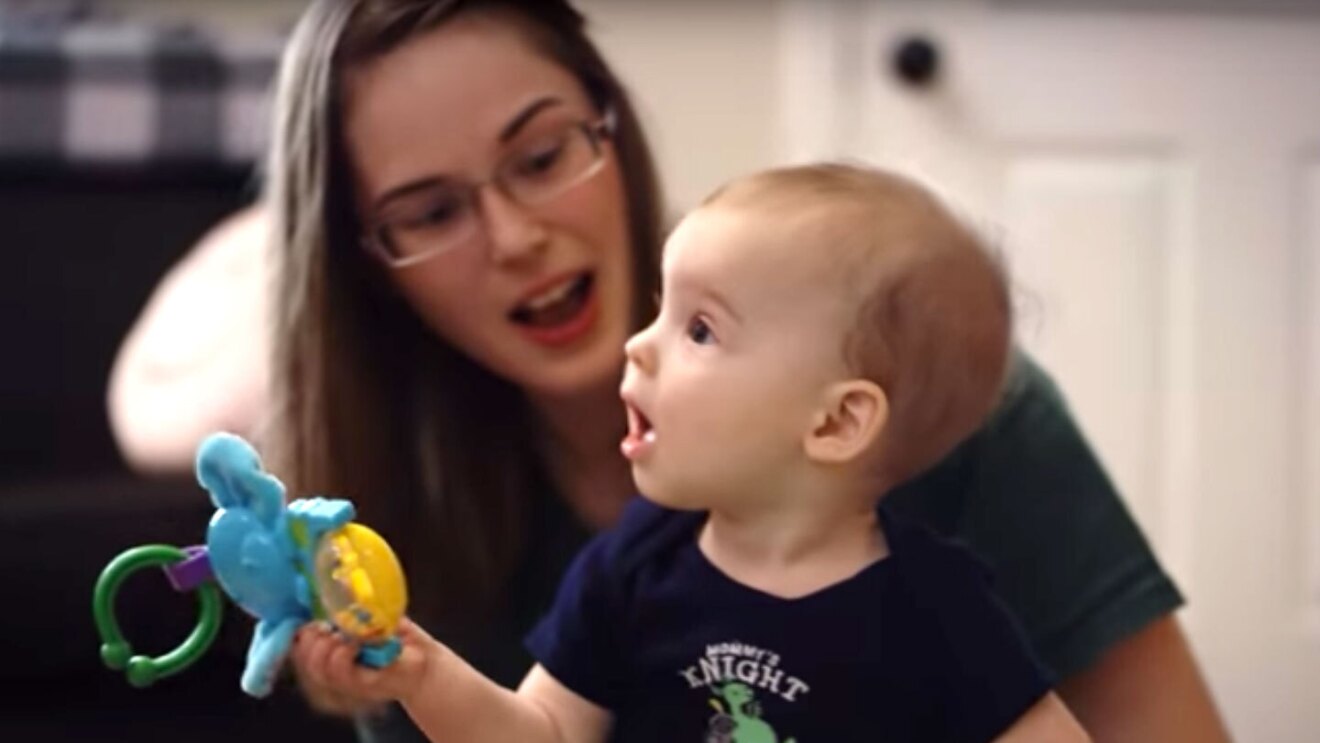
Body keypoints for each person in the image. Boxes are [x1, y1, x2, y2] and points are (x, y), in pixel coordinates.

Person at [111, 1, 1230, 741]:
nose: (513, 237)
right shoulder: (593, 554)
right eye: (432, 211)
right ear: (368, 268)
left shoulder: (950, 505)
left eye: (543, 156)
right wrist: (416, 668)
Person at [294, 162, 1093, 742]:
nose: (639, 345)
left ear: (836, 422)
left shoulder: (938, 609)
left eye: (700, 329)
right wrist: (425, 673)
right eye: (659, 312)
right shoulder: (636, 565)